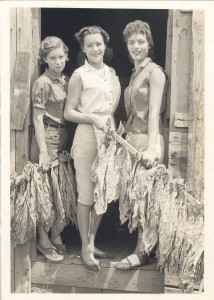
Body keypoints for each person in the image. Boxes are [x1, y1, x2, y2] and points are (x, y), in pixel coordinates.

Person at [64, 26, 121, 272]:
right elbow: (69, 112)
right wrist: (92, 118)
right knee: (86, 194)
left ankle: (93, 242)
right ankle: (85, 248)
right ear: (83, 49)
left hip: (109, 135)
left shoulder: (111, 73)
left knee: (103, 192)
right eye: (90, 45)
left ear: (105, 46)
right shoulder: (79, 75)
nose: (95, 49)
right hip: (88, 135)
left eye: (98, 44)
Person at [115, 20, 167, 269]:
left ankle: (142, 252)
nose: (136, 46)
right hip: (133, 140)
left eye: (141, 41)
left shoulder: (155, 72)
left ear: (149, 44)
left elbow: (154, 112)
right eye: (132, 42)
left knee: (144, 200)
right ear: (127, 45)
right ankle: (143, 247)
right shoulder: (136, 72)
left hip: (148, 141)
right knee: (135, 198)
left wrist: (152, 149)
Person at [31, 36, 70, 262]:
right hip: (48, 134)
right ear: (45, 59)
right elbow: (37, 118)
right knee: (45, 188)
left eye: (61, 57)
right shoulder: (43, 83)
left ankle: (56, 234)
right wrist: (44, 151)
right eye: (53, 58)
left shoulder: (64, 80)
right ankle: (43, 240)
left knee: (59, 187)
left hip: (63, 136)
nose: (58, 61)